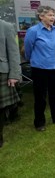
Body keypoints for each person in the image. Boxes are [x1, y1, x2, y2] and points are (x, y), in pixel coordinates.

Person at [24, 6, 55, 131]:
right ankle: (39, 123)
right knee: (40, 97)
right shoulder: (33, 31)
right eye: (49, 15)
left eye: (53, 15)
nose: (52, 17)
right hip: (39, 68)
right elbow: (28, 49)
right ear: (41, 17)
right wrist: (34, 59)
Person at [0, 19, 21, 147]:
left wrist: (14, 75)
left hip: (1, 72)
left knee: (1, 108)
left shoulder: (6, 26)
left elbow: (14, 52)